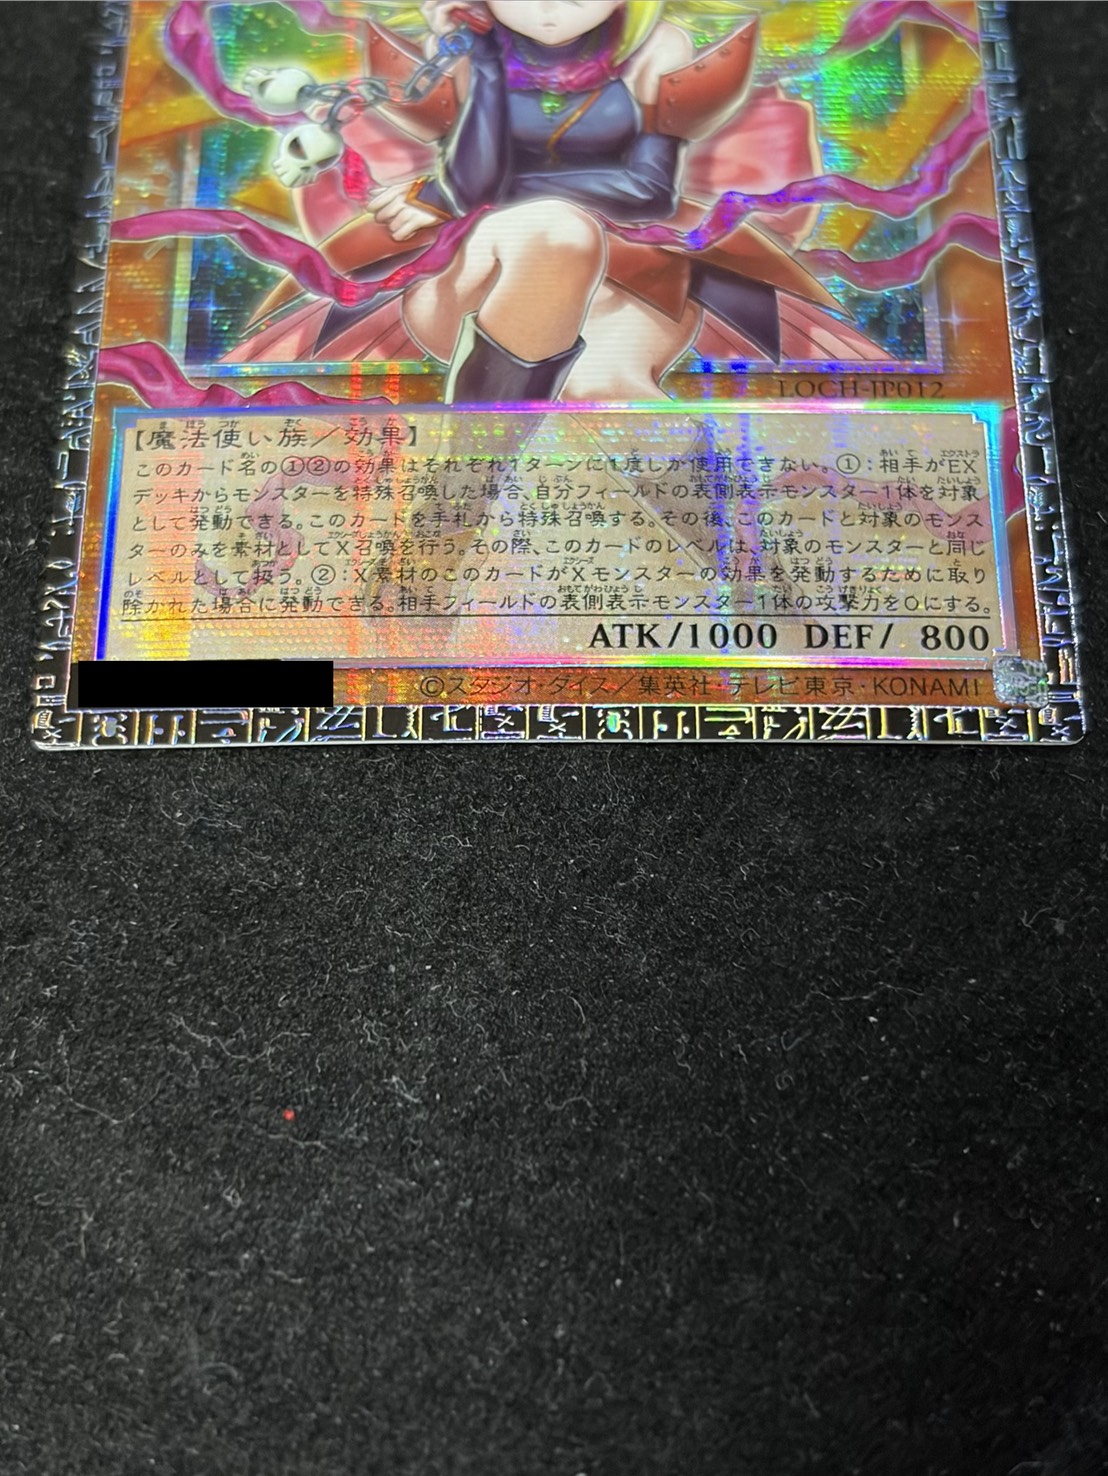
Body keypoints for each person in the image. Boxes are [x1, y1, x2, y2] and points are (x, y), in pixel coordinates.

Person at [226, 0, 883, 400]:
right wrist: (484, 58)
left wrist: (461, 194)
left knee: (606, 387)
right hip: (480, 259)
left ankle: (744, 575)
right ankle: (463, 497)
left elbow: (648, 194)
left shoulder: (657, 47)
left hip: (628, 260)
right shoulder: (466, 50)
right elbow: (476, 183)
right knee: (553, 231)